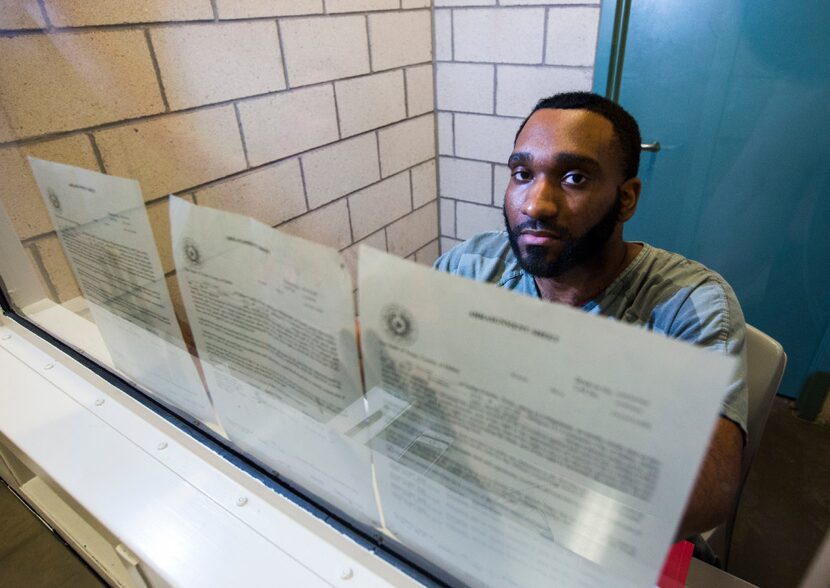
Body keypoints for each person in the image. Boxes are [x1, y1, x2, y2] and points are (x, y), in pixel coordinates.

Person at [433, 92, 747, 550]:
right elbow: (390, 347)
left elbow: (706, 490)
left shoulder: (687, 304)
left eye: (574, 178)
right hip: (473, 521)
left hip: (607, 544)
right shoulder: (475, 264)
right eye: (523, 174)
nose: (536, 204)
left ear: (626, 199)